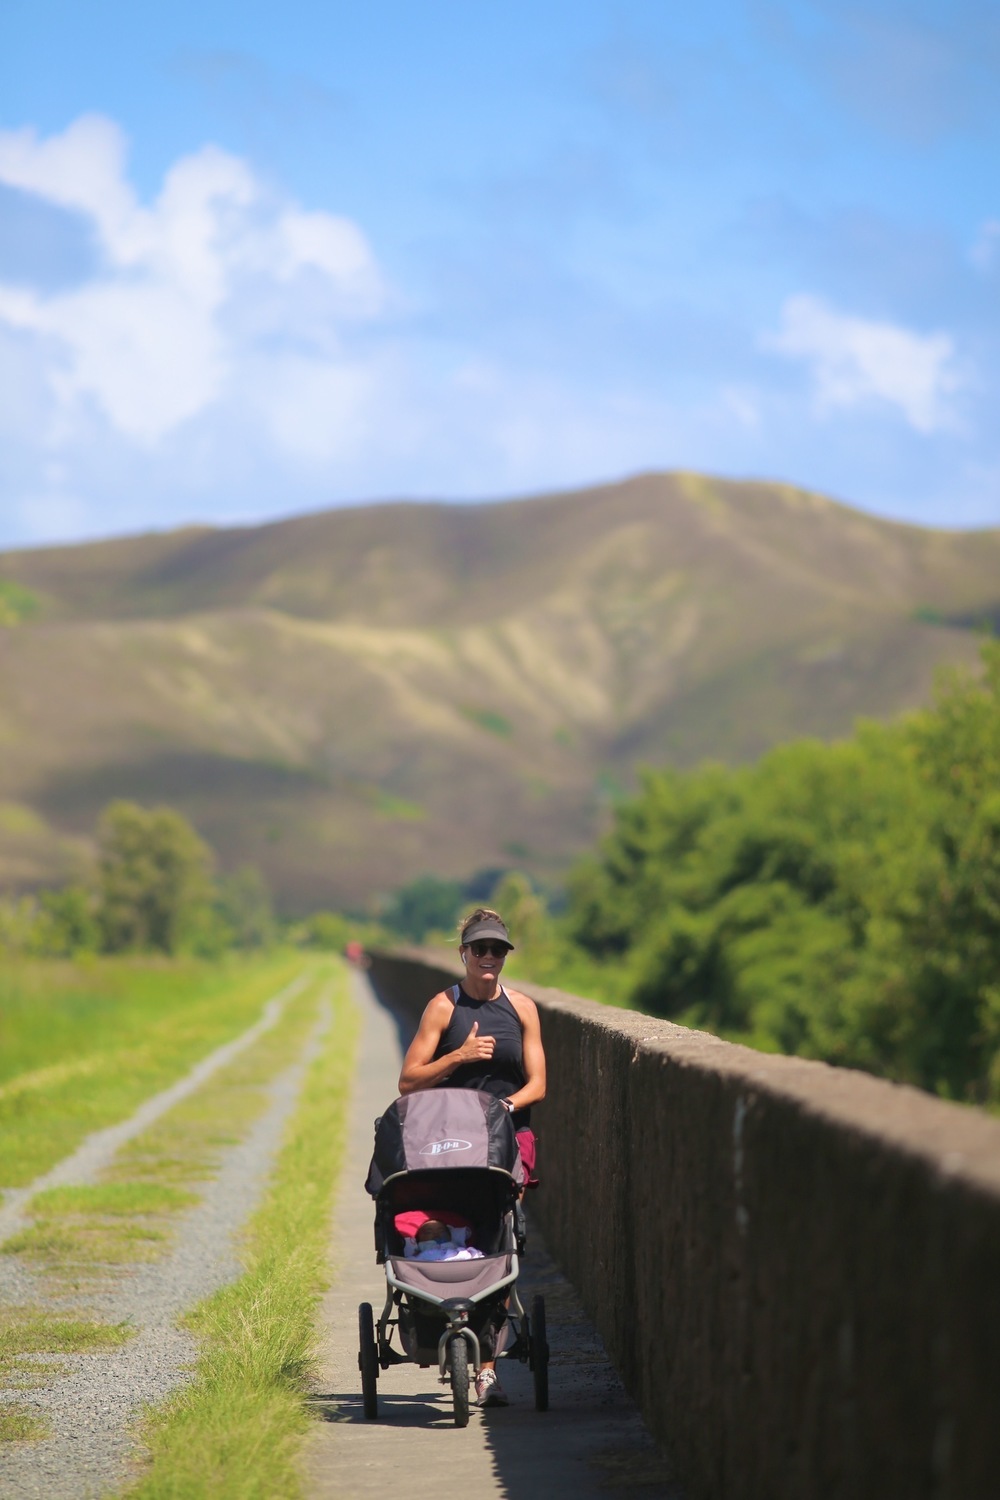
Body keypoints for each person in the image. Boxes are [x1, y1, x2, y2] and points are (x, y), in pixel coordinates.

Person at [398, 906, 546, 1409]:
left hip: (505, 1137)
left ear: (505, 956)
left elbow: (538, 1084)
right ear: (463, 953)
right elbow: (408, 1080)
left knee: (500, 1236)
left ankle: (486, 1368)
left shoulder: (522, 1008)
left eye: (497, 949)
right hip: (449, 1138)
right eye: (479, 948)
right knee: (460, 1223)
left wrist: (505, 1105)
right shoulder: (444, 1007)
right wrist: (458, 1056)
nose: (488, 957)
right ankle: (447, 1320)